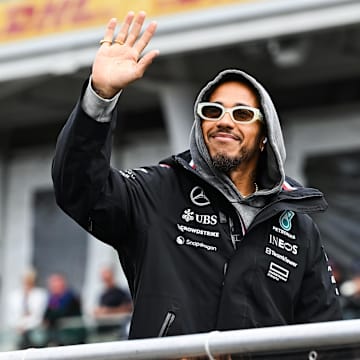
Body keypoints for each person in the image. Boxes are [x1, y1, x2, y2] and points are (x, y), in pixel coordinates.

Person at [52, 11, 342, 342]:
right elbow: (79, 190)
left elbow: (325, 334)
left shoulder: (299, 226)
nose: (224, 121)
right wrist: (99, 98)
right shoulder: (157, 192)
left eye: (242, 114)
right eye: (212, 111)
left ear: (265, 137)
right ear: (200, 125)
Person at [7, 268, 47, 349]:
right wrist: (19, 326)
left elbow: (38, 316)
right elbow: (12, 316)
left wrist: (25, 326)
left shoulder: (40, 294)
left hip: (35, 332)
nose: (27, 281)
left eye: (30, 278)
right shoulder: (14, 295)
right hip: (17, 332)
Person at [42, 273, 87, 346]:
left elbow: (62, 314)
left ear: (62, 283)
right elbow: (46, 316)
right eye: (51, 283)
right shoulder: (53, 299)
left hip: (73, 334)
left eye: (55, 282)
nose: (53, 286)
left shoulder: (71, 297)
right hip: (59, 334)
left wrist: (52, 316)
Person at [93, 266, 132, 338]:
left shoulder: (121, 293)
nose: (106, 281)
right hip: (104, 330)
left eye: (107, 279)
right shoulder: (103, 295)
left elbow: (128, 308)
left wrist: (109, 311)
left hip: (117, 330)